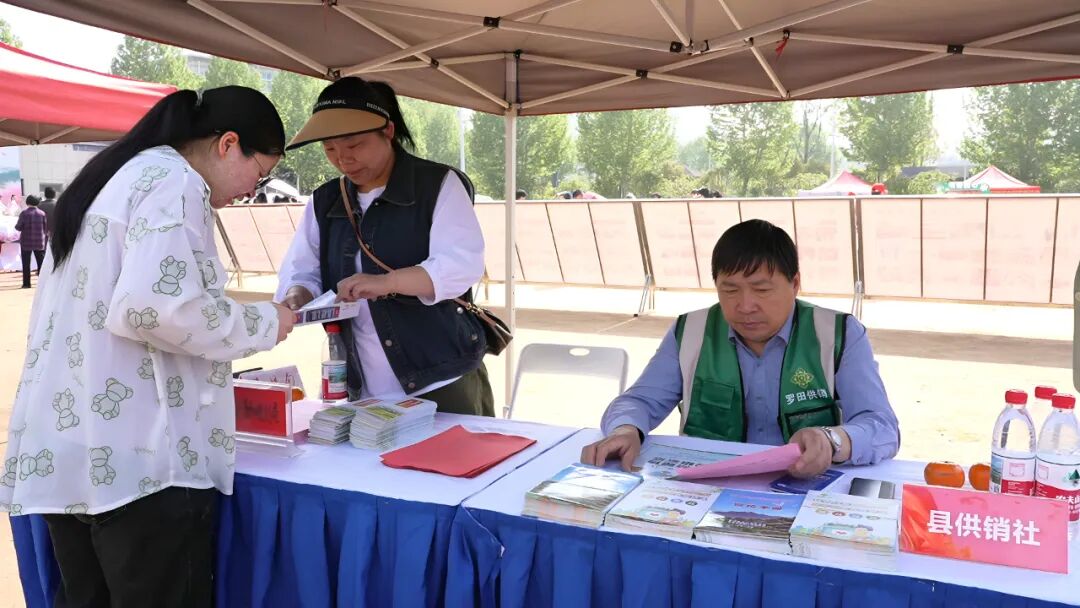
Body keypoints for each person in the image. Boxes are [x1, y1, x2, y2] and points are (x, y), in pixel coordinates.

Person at [0, 86, 295, 607]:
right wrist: (264, 321)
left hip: (74, 451)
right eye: (260, 172)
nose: (253, 190)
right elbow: (154, 307)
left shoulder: (113, 179)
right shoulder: (174, 182)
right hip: (143, 463)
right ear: (228, 144)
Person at [581, 219, 899, 478]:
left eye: (762, 289)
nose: (745, 306)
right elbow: (640, 400)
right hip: (707, 488)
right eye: (730, 290)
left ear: (795, 283)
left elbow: (881, 426)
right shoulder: (691, 331)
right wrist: (625, 430)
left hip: (803, 486)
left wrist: (832, 440)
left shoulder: (838, 334)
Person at [276, 77, 493, 416]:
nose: (343, 159)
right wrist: (297, 295)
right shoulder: (325, 200)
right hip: (362, 386)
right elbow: (301, 269)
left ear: (388, 131)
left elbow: (461, 265)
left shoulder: (437, 184)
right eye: (330, 149)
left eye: (354, 145)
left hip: (440, 378)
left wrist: (387, 282)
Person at [14, 195, 47, 288]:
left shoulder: (24, 213)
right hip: (39, 241)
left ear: (27, 202)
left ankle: (26, 284)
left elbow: (18, 227)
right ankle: (42, 284)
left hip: (26, 242)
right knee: (41, 263)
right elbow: (45, 227)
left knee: (26, 263)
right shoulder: (42, 213)